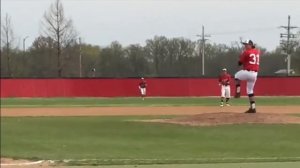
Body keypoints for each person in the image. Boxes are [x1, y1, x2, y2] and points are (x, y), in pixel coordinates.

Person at [234, 39, 260, 113]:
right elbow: (252, 58)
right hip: (255, 74)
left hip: (248, 72)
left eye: (247, 44)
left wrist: (241, 58)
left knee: (236, 76)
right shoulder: (257, 51)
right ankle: (253, 108)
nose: (245, 46)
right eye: (245, 44)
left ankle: (238, 92)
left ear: (251, 45)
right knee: (250, 91)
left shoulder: (246, 52)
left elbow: (239, 63)